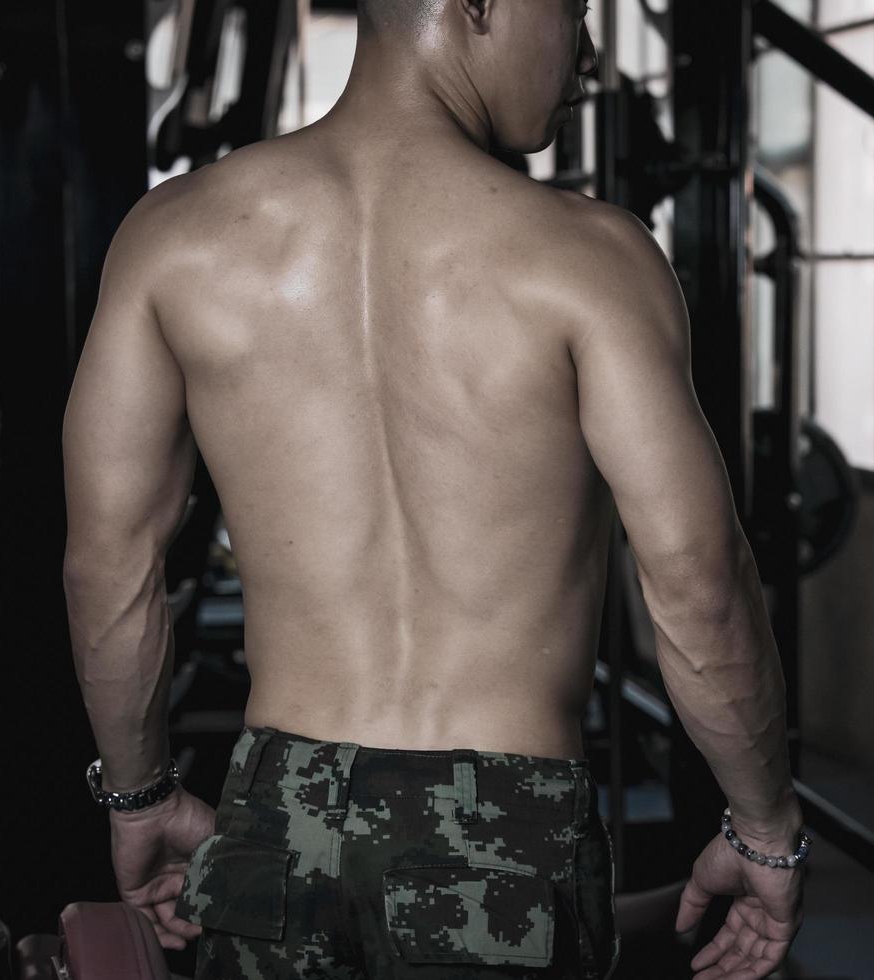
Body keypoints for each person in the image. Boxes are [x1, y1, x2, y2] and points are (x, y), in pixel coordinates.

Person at [62, 1, 806, 977]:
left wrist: (140, 796)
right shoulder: (591, 258)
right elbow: (699, 581)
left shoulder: (173, 238)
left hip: (274, 827)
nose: (586, 54)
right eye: (574, 12)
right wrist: (764, 828)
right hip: (501, 832)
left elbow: (111, 564)